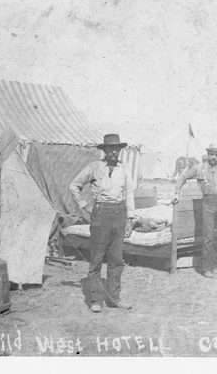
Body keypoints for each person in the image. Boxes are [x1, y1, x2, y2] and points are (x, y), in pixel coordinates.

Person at [69, 134, 136, 313]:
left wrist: (130, 219)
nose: (114, 152)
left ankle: (114, 298)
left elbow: (129, 194)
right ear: (104, 150)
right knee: (97, 258)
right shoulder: (94, 167)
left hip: (119, 214)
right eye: (110, 149)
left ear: (120, 150)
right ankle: (95, 300)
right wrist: (84, 205)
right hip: (101, 215)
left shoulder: (124, 169)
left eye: (117, 149)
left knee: (116, 258)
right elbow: (74, 185)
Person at [172, 144, 217, 278]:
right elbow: (182, 177)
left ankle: (214, 265)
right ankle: (206, 268)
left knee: (216, 237)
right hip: (208, 204)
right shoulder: (199, 168)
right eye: (211, 154)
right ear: (208, 155)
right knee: (208, 236)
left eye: (216, 155)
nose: (213, 157)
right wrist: (176, 192)